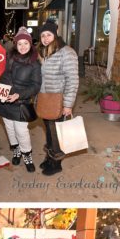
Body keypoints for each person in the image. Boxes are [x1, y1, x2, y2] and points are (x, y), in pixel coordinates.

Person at [0, 26, 42, 172]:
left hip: (21, 103)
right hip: (5, 101)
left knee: (21, 131)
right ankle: (16, 150)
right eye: (20, 43)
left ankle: (27, 155)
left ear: (30, 44)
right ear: (15, 44)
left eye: (26, 43)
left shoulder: (34, 63)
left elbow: (36, 86)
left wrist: (19, 94)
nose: (22, 47)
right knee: (10, 129)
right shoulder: (8, 58)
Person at [37, 19, 79, 176]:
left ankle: (56, 163)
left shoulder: (66, 52)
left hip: (58, 100)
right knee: (48, 130)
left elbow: (72, 80)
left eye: (48, 35)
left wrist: (68, 104)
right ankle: (49, 157)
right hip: (45, 99)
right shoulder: (44, 53)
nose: (46, 38)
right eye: (43, 35)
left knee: (56, 133)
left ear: (55, 35)